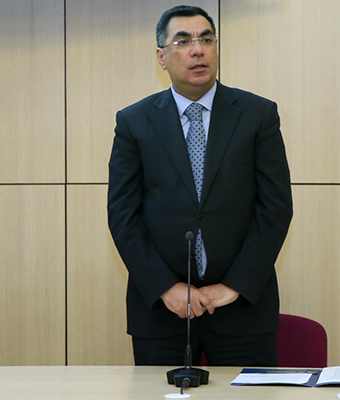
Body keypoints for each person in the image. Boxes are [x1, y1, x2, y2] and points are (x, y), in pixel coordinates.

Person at [107, 5, 293, 366]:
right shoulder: (134, 122)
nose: (198, 49)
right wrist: (165, 287)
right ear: (161, 57)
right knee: (158, 392)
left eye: (206, 39)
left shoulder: (257, 115)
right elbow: (123, 215)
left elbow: (275, 208)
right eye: (183, 41)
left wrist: (235, 285)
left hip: (243, 309)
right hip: (162, 311)